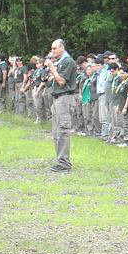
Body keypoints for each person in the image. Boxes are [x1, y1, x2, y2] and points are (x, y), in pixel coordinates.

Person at [45, 39, 79, 171]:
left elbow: (61, 81)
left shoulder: (68, 61)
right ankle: (60, 160)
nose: (52, 51)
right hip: (57, 99)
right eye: (52, 49)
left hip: (64, 99)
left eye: (54, 48)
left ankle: (64, 163)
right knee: (56, 132)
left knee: (62, 131)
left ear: (62, 48)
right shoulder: (60, 62)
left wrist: (52, 68)